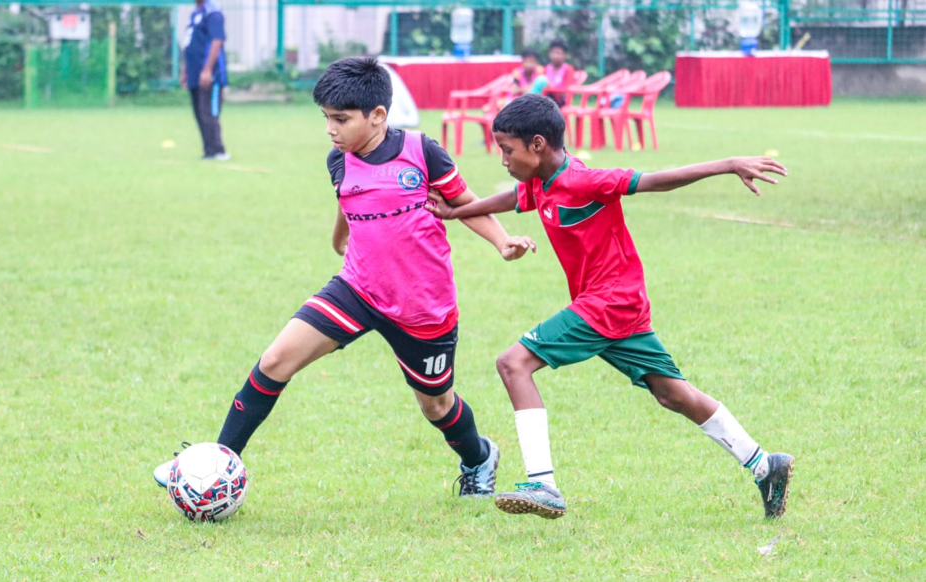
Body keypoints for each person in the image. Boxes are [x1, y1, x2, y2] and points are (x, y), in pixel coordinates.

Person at [154, 57, 537, 497]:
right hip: (357, 288)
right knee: (276, 361)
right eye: (325, 119)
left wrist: (503, 241)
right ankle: (212, 463)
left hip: (422, 305)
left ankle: (478, 456)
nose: (331, 129)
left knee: (436, 404)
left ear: (377, 116)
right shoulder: (339, 160)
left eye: (340, 119)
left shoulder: (421, 150)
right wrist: (340, 239)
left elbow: (465, 201)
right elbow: (348, 199)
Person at [425, 94, 794, 520]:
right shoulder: (539, 182)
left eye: (507, 149)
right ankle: (767, 466)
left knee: (513, 364)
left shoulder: (586, 180)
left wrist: (728, 163)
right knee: (673, 394)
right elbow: (511, 199)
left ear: (538, 144)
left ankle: (542, 484)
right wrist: (457, 212)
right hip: (618, 306)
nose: (503, 158)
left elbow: (656, 180)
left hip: (609, 302)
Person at [182, 0, 229, 160]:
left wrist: (208, 69)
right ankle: (208, 151)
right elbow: (191, 43)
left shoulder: (213, 12)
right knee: (199, 112)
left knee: (209, 112)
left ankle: (218, 150)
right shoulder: (196, 12)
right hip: (194, 72)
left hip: (211, 73)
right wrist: (185, 69)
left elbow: (217, 40)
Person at [543, 39, 576, 107]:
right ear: (550, 54)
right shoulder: (546, 69)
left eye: (558, 53)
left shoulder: (568, 69)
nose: (556, 56)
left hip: (560, 101)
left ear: (564, 55)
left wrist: (551, 89)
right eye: (554, 53)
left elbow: (567, 91)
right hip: (546, 99)